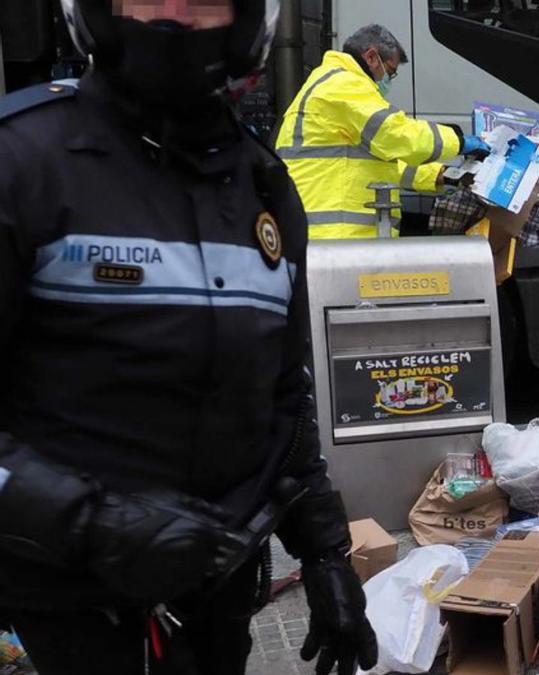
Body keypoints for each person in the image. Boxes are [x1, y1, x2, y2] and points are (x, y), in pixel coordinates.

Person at [0, 1, 375, 674]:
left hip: (217, 598)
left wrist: (325, 552)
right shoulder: (23, 162)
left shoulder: (266, 189)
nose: (171, 17)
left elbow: (283, 397)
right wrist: (92, 525)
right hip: (69, 616)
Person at [276, 24, 490, 239]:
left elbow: (382, 163)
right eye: (390, 71)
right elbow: (396, 135)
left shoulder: (334, 82)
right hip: (335, 236)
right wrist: (459, 142)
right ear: (371, 57)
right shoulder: (343, 84)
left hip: (329, 235)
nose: (388, 79)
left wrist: (444, 176)